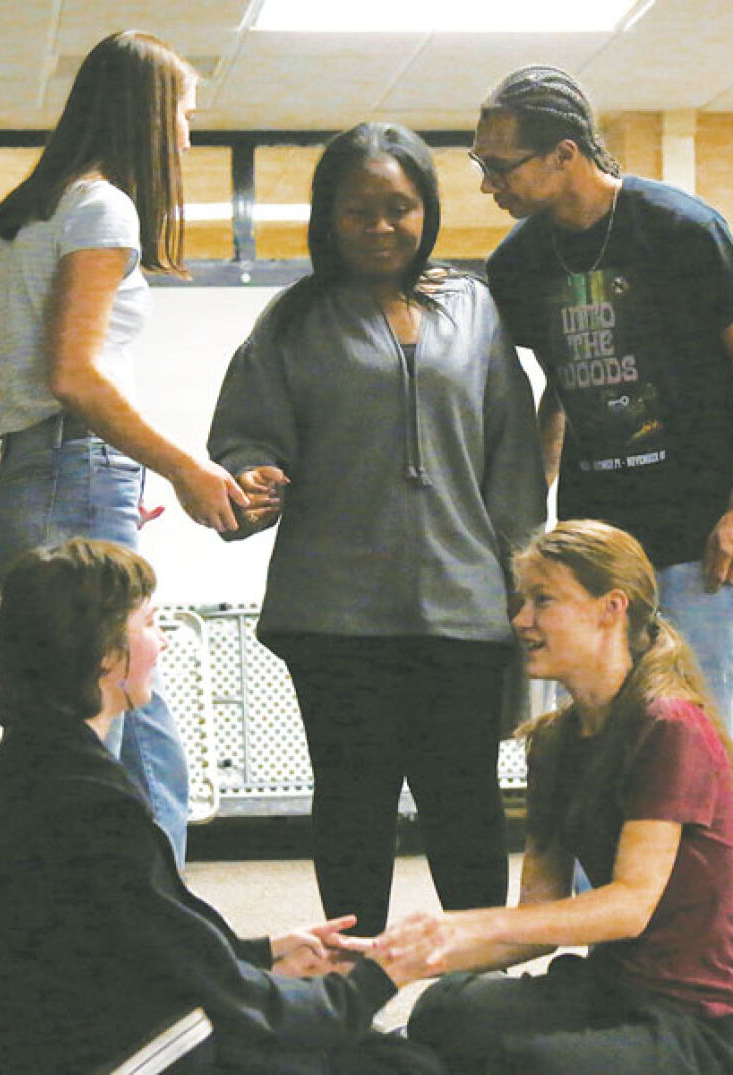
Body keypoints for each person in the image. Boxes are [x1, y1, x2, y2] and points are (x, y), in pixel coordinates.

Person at [208, 122, 546, 936]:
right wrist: (251, 477)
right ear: (328, 217)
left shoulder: (474, 308)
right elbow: (243, 441)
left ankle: (475, 985)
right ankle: (353, 989)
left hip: (465, 611)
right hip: (335, 618)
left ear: (427, 210)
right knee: (354, 804)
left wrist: (529, 585)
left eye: (400, 207)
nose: (382, 226)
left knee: (464, 802)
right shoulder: (290, 323)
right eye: (360, 210)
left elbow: (513, 455)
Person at [0, 538, 443, 1075]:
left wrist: (265, 952)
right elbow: (226, 995)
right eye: (150, 624)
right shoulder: (89, 807)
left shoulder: (28, 771)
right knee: (395, 1065)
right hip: (112, 1058)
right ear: (105, 654)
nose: (163, 644)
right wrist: (378, 977)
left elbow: (141, 949)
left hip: (57, 1048)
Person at [0, 30, 247, 865]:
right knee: (111, 747)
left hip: (23, 494)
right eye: (183, 115)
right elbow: (76, 376)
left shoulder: (20, 218)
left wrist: (79, 462)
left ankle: (146, 934)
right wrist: (178, 466)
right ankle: (138, 948)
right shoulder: (103, 207)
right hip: (71, 483)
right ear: (147, 115)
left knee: (119, 733)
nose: (186, 135)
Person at [471, 65, 733, 826]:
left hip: (701, 539)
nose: (488, 185)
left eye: (499, 166)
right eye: (481, 167)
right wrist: (531, 522)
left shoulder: (677, 227)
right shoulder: (516, 264)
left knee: (709, 746)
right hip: (598, 550)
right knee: (604, 746)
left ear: (564, 154)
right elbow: (558, 391)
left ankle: (713, 925)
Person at [375, 519, 733, 1074]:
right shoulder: (554, 741)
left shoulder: (670, 726)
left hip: (702, 1026)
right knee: (445, 1008)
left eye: (543, 601)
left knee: (533, 1065)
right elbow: (538, 916)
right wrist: (384, 964)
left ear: (610, 608)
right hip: (612, 992)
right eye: (522, 602)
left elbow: (630, 905)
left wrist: (466, 927)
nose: (521, 619)